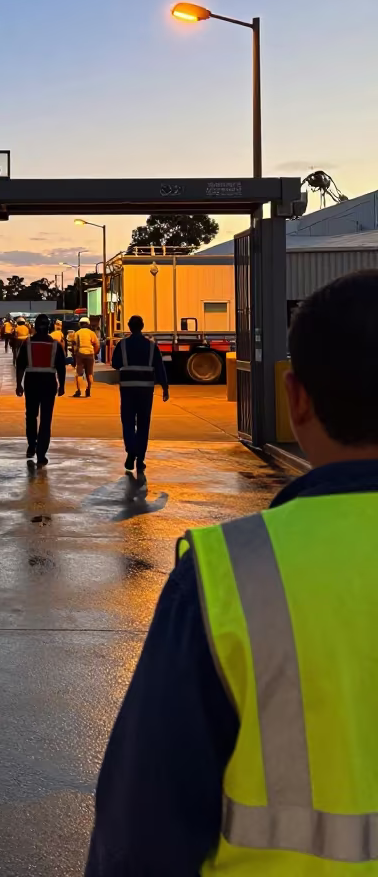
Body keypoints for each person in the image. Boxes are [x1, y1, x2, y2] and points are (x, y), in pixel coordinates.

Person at [85, 269, 378, 876]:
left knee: (131, 432)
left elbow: (142, 832)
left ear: (295, 399)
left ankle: (133, 450)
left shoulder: (231, 577)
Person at [111, 314, 169, 481]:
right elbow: (160, 367)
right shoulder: (151, 346)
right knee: (143, 423)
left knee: (128, 422)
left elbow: (115, 364)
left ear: (129, 327)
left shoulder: (122, 345)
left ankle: (131, 451)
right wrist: (165, 387)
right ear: (142, 326)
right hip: (146, 391)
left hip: (128, 390)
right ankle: (140, 459)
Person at [15, 313, 66, 465]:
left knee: (31, 415)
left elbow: (20, 365)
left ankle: (32, 445)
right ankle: (41, 453)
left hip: (31, 382)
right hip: (48, 383)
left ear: (35, 327)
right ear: (49, 327)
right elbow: (61, 367)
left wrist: (19, 384)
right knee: (46, 419)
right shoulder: (55, 345)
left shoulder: (27, 343)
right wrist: (62, 385)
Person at [72, 315, 100, 397]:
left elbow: (74, 345)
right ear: (88, 324)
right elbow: (97, 345)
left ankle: (79, 391)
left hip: (80, 354)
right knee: (89, 374)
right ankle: (88, 390)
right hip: (90, 354)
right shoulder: (92, 333)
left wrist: (75, 354)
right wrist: (94, 353)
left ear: (80, 324)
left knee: (79, 374)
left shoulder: (77, 333)